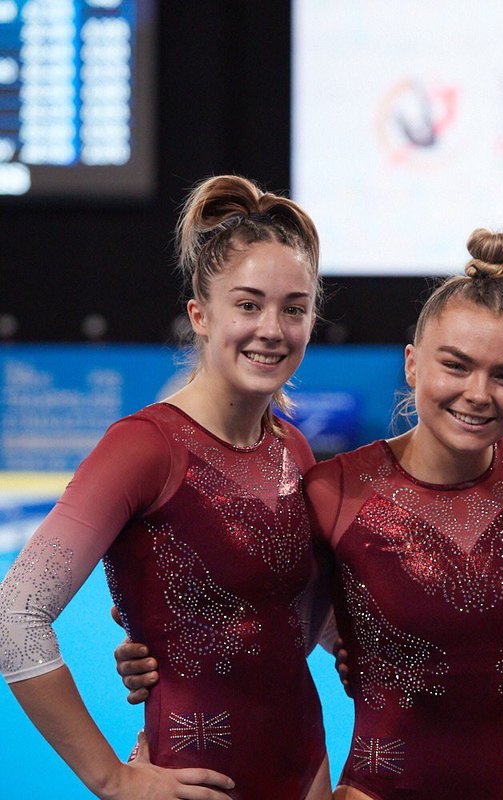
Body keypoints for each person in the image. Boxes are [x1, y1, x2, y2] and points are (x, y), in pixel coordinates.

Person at [120, 229, 503, 799]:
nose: (478, 393)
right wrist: (165, 650)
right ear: (411, 364)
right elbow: (262, 610)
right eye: (455, 365)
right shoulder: (333, 489)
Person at [0, 175, 330, 798]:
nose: (273, 328)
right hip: (192, 776)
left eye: (294, 308)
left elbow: (288, 625)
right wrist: (112, 778)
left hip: (307, 765)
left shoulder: (293, 449)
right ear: (201, 316)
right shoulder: (144, 447)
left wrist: (182, 634)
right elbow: (14, 614)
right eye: (249, 304)